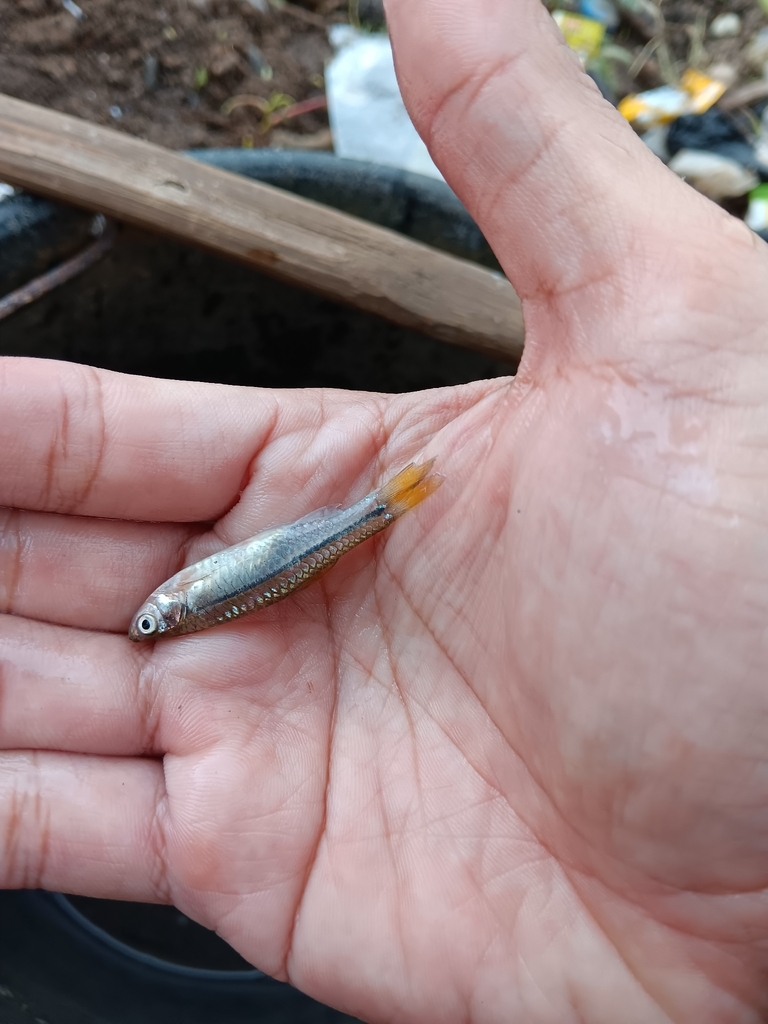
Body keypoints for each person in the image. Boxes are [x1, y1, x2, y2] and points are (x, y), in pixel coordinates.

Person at [2, 0, 768, 1019]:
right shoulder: (200, 599)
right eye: (158, 618)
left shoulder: (187, 602)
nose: (159, 614)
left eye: (157, 616)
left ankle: (385, 511)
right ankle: (385, 510)